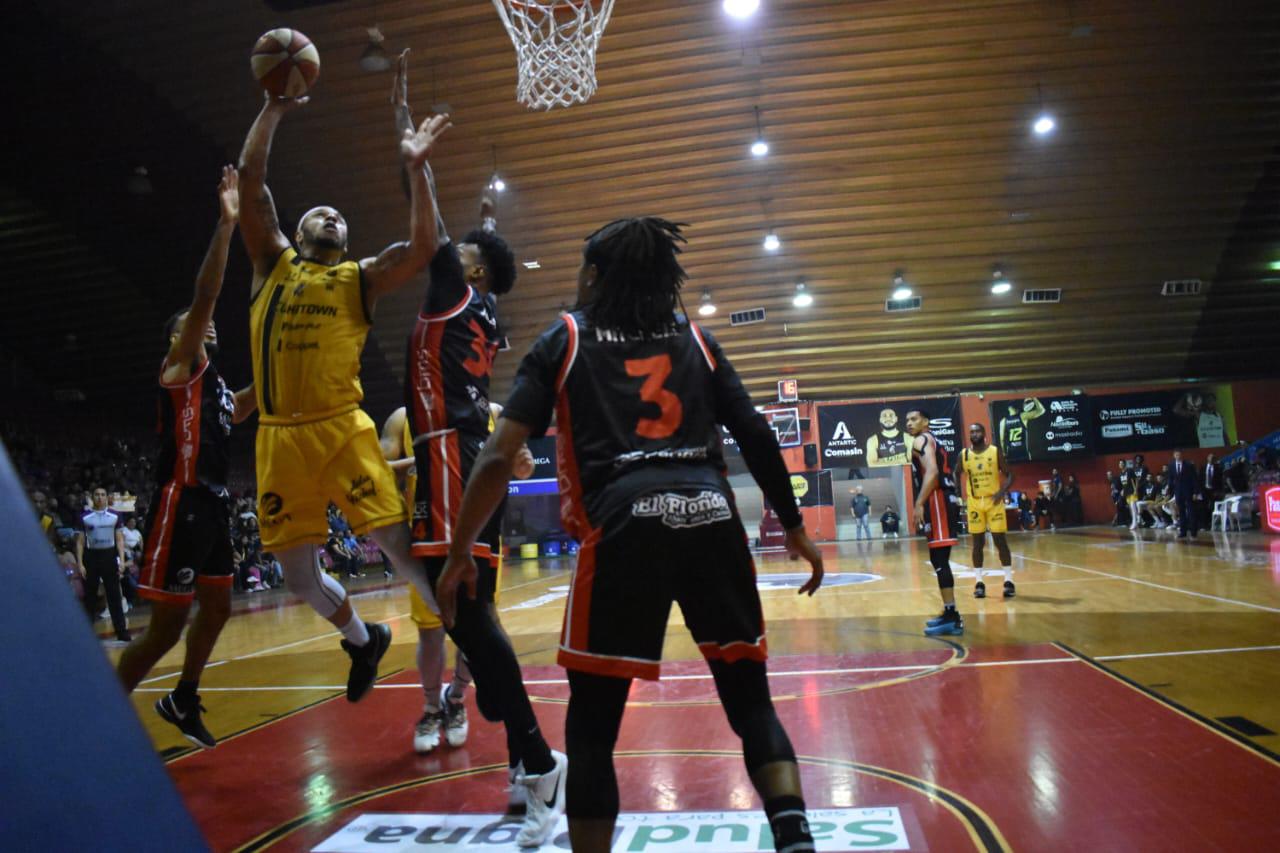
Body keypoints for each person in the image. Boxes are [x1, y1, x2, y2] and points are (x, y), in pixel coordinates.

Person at [436, 216, 824, 853]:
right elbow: (755, 431)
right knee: (753, 705)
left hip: (625, 525)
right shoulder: (695, 339)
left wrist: (459, 550)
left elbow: (499, 455)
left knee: (591, 733)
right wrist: (796, 527)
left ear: (595, 274)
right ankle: (794, 836)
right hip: (712, 518)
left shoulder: (565, 336)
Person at [235, 81, 452, 703]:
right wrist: (274, 108)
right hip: (277, 438)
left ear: (348, 241)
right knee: (297, 573)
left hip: (339, 428)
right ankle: (362, 639)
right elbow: (252, 181)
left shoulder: (361, 277)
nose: (332, 214)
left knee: (397, 547)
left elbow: (423, 247)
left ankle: (477, 655)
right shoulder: (271, 262)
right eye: (320, 212)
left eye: (340, 216)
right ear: (296, 230)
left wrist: (417, 168)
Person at [393, 50, 561, 839]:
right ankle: (509, 731)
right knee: (469, 611)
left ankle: (534, 756)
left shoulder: (457, 288)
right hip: (456, 447)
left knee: (459, 605)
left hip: (452, 454)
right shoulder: (481, 312)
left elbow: (427, 239)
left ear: (474, 270)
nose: (448, 254)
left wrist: (418, 168)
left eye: (461, 252)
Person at [115, 167, 252, 748]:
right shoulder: (180, 366)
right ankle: (104, 717)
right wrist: (226, 226)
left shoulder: (215, 385)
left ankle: (183, 696)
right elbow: (206, 295)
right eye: (196, 327)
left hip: (215, 503)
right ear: (178, 338)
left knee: (218, 606)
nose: (209, 326)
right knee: (166, 627)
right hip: (182, 497)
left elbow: (242, 408)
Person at [905, 409, 961, 637]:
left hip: (937, 500)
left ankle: (953, 617)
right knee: (939, 559)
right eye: (907, 420)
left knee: (939, 559)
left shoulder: (921, 439)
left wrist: (919, 503)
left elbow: (933, 472)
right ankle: (949, 612)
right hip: (942, 498)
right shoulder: (933, 440)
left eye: (914, 419)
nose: (909, 423)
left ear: (925, 422)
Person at [955, 423, 1015, 600]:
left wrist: (1001, 492)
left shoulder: (994, 452)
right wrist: (959, 493)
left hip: (993, 501)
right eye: (971, 431)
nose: (974, 434)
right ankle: (979, 582)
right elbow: (955, 473)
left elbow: (1010, 474)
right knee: (977, 543)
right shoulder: (964, 455)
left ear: (984, 433)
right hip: (974, 503)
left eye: (977, 431)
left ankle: (1009, 581)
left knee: (1000, 541)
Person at [76, 486, 129, 641]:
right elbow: (80, 542)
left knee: (114, 596)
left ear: (107, 497)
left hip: (109, 556)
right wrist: (80, 563)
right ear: (93, 498)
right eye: (97, 495)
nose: (100, 497)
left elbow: (119, 539)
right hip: (91, 557)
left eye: (102, 494)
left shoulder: (115, 516)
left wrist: (122, 561)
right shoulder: (84, 516)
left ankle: (121, 631)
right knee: (90, 596)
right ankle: (87, 632)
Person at [1169, 450, 1200, 540]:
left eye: (1179, 454)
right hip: (1178, 492)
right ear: (1174, 455)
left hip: (1188, 491)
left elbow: (1194, 479)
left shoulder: (1188, 464)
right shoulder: (1171, 465)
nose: (1178, 456)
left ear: (1182, 455)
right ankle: (1183, 532)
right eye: (1176, 455)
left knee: (1191, 511)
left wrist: (1195, 492)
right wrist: (1171, 492)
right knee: (1181, 512)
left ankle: (1193, 532)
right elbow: (1170, 479)